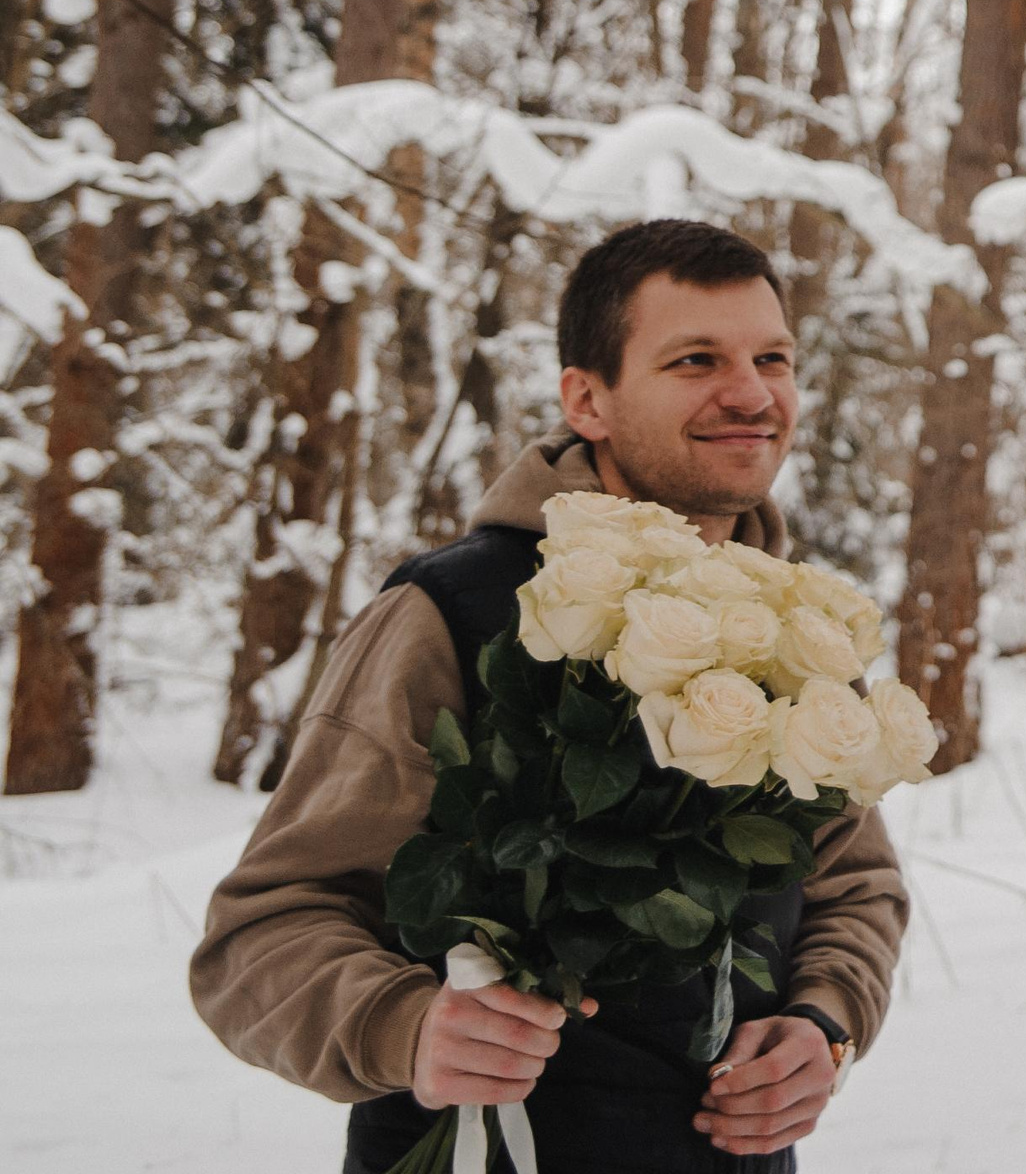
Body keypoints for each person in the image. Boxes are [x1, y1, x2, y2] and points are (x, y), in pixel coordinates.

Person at [192, 219, 907, 1172]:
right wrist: (403, 1026)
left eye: (771, 358)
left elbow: (854, 886)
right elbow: (262, 932)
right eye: (696, 360)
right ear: (587, 399)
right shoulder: (454, 613)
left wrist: (825, 1022)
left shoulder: (798, 627)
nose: (751, 393)